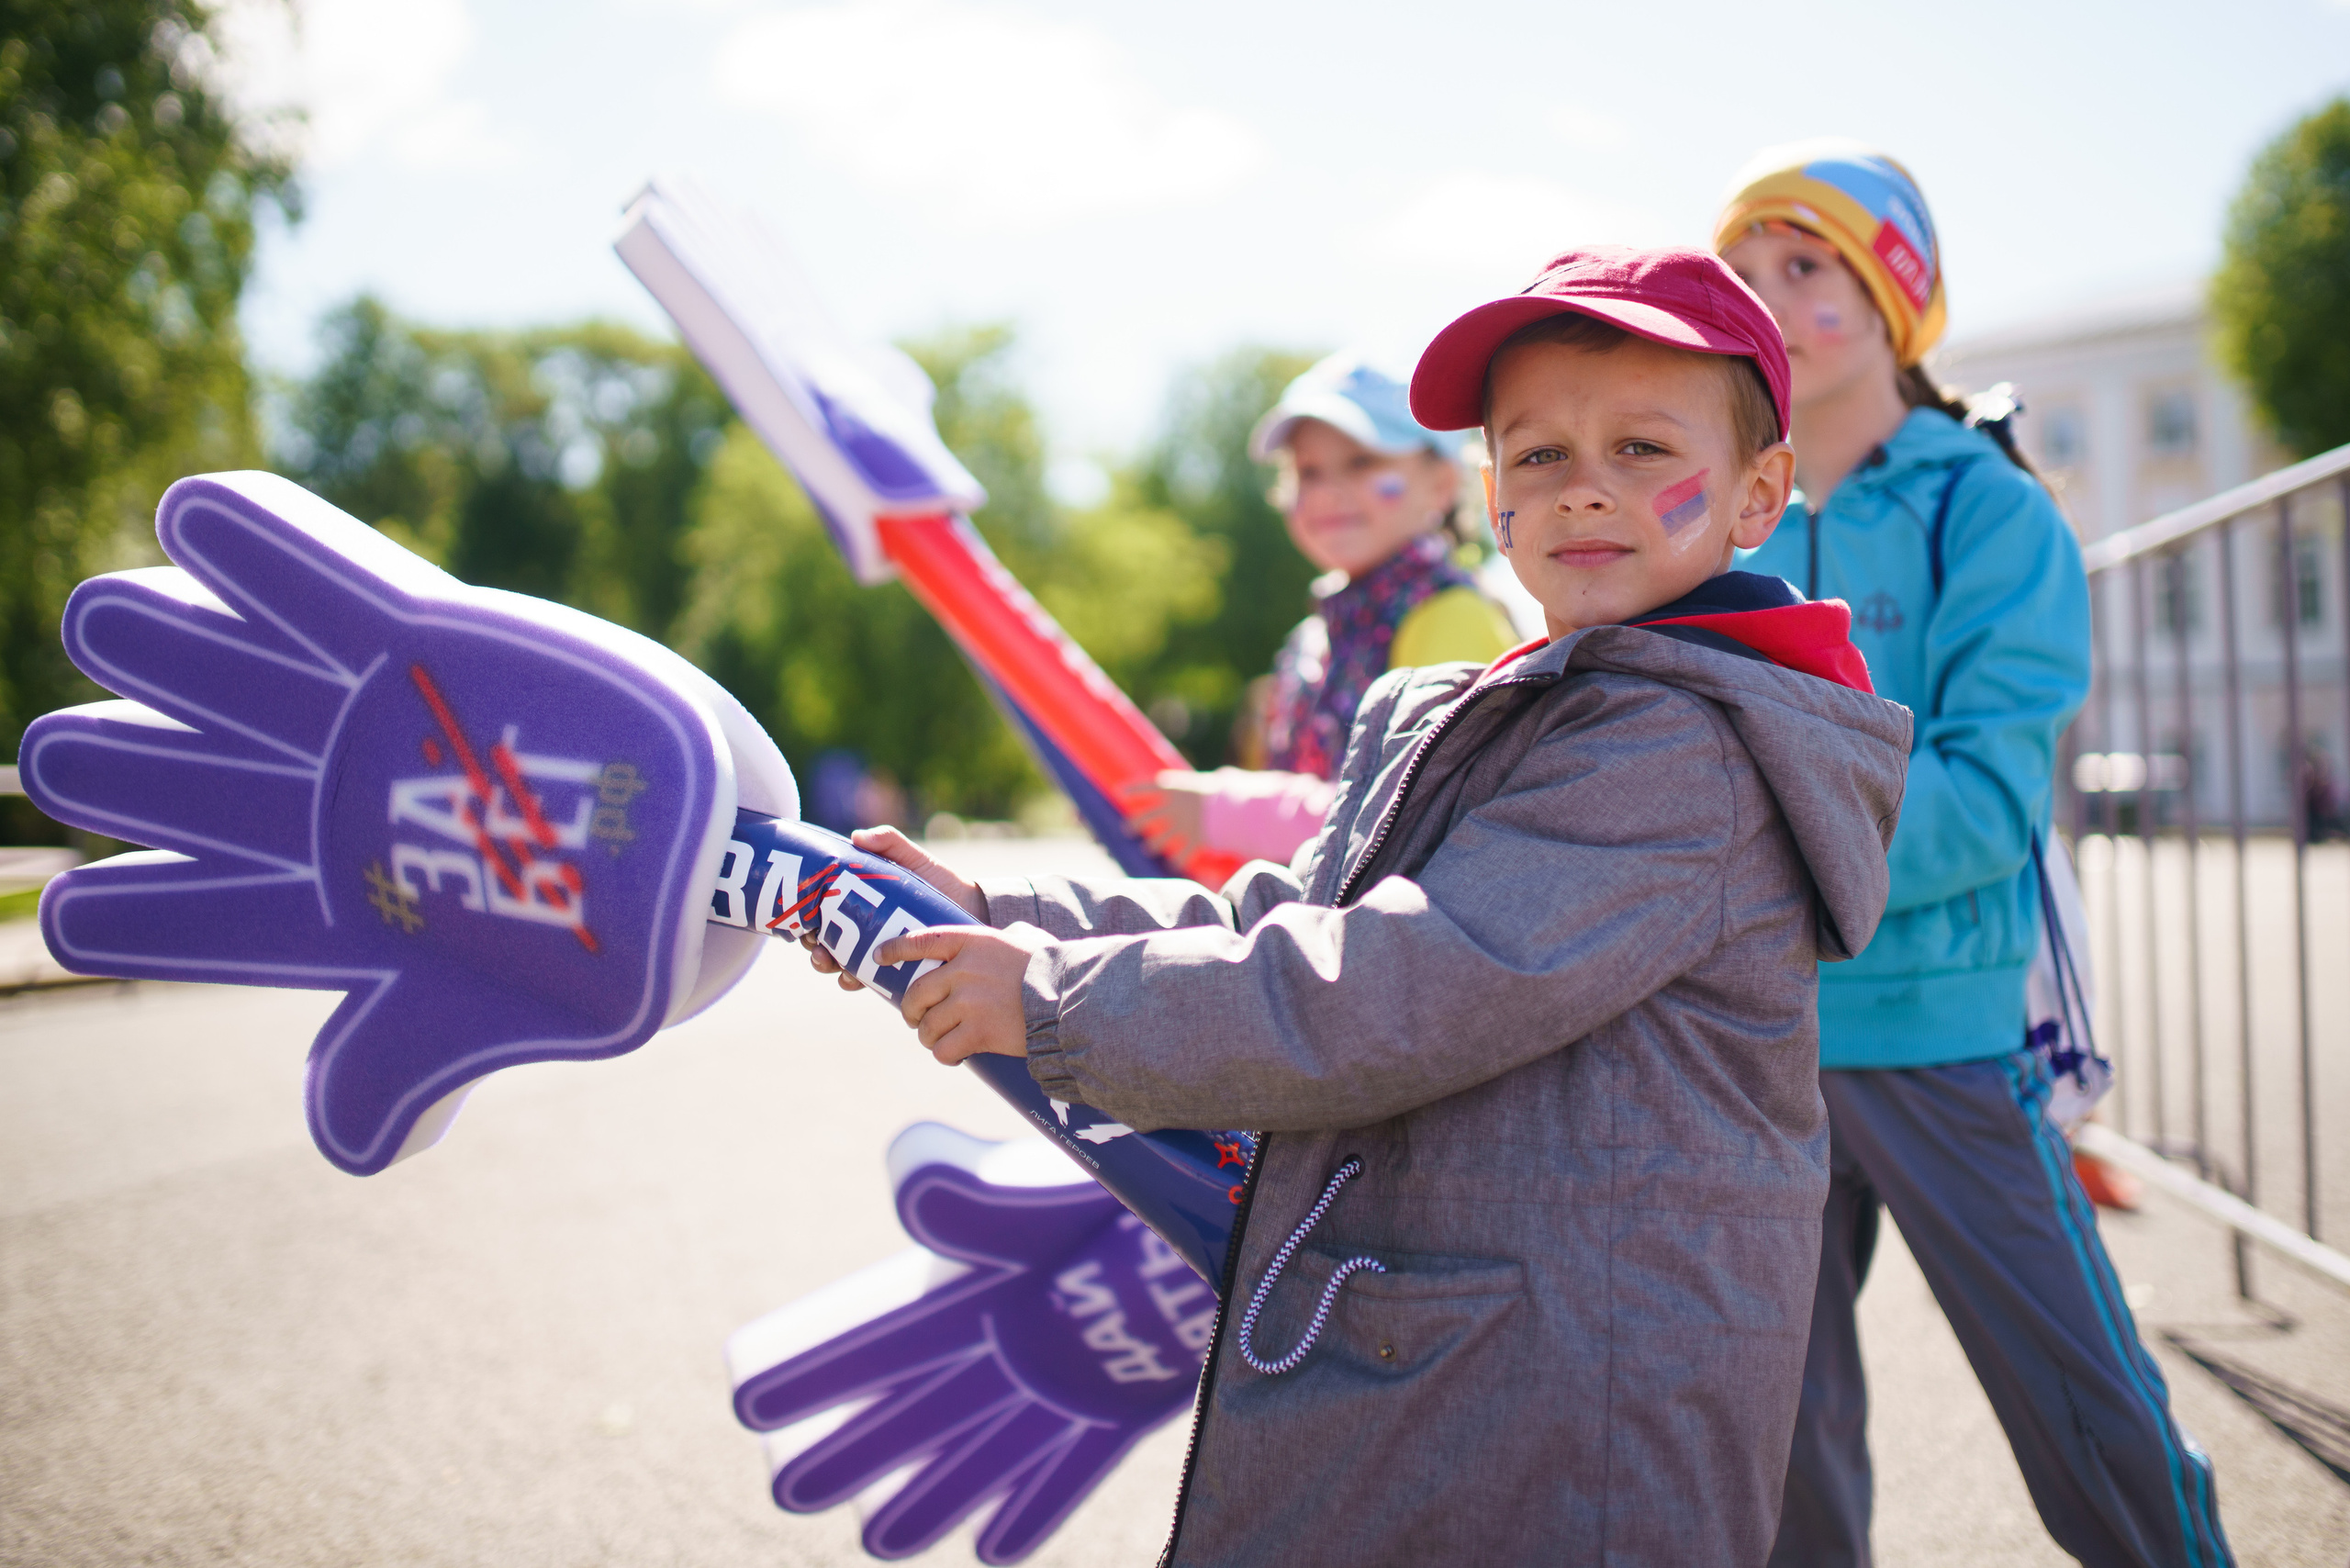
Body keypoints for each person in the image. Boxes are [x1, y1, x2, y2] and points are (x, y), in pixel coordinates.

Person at [808, 247, 1912, 1564]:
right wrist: (1006, 910)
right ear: (1494, 496)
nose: (1585, 487)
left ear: (1758, 494)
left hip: (1584, 1410)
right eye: (1540, 455)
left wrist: (1050, 1004)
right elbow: (1290, 909)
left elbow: (1408, 981)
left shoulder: (1681, 749)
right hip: (1479, 1358)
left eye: (1641, 446)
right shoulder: (1529, 706)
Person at [1716, 140, 2236, 1567]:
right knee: (1776, 1436)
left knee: (2086, 1412)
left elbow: (1988, 800)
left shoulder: (1987, 508)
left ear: (1897, 299)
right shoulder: (1716, 521)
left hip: (1940, 1035)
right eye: (1742, 273)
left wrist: (1739, 867)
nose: (1768, 298)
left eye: (1805, 265)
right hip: (1756, 1042)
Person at [1147, 353, 1519, 867]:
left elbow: (1419, 818)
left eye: (1362, 462)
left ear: (1441, 483)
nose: (1326, 492)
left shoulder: (1450, 616)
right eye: (1308, 471)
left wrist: (1228, 814)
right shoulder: (1316, 635)